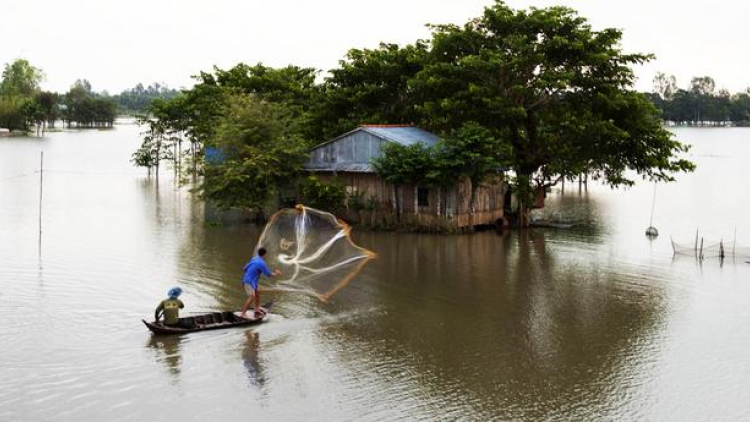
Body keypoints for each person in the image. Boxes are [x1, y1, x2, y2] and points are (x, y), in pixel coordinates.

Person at [240, 247, 281, 318]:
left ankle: (256, 309)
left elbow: (246, 268)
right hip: (249, 281)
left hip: (252, 281)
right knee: (252, 296)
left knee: (258, 292)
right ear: (264, 255)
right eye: (266, 254)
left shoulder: (254, 258)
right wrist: (276, 273)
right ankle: (243, 313)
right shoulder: (261, 263)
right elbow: (268, 274)